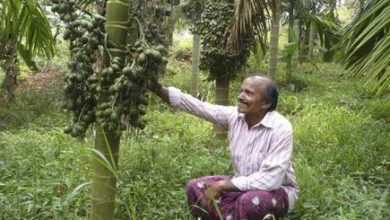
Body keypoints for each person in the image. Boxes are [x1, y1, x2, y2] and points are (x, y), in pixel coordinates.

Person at [154, 75, 299, 220]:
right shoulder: (234, 116)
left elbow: (270, 179)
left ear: (266, 103)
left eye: (249, 93)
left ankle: (254, 213)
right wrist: (156, 88)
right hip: (240, 183)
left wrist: (222, 185)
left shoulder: (280, 128)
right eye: (241, 91)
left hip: (277, 190)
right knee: (195, 187)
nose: (241, 96)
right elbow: (198, 107)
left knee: (249, 202)